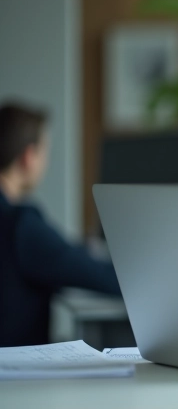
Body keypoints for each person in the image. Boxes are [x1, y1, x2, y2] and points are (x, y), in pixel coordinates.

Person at [0, 102, 121, 346]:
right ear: (28, 157)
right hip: (16, 376)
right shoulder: (20, 225)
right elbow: (98, 276)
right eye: (45, 151)